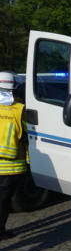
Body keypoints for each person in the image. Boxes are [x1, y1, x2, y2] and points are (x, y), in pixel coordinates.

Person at [0, 72, 28, 239]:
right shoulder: (19, 109)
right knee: (3, 202)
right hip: (10, 168)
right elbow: (26, 136)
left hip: (9, 169)